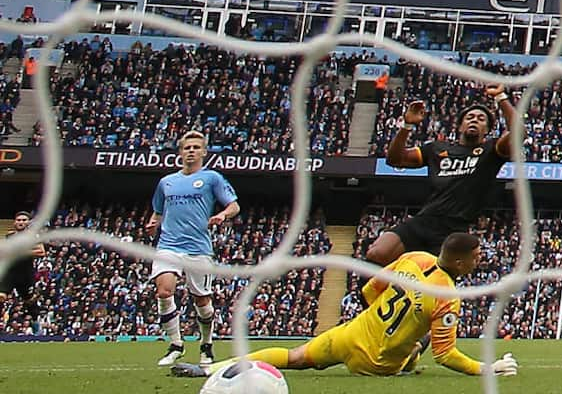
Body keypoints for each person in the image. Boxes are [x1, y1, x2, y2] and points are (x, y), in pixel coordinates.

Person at [171, 233, 519, 378]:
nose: (478, 261)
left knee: (295, 358)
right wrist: (487, 368)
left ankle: (210, 371)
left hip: (350, 333)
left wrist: (382, 317)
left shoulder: (412, 257)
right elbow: (447, 356)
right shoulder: (448, 298)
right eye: (475, 257)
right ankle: (412, 350)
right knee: (416, 347)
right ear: (459, 263)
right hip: (377, 363)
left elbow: (370, 290)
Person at [365, 84, 515, 266]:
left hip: (454, 229)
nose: (475, 120)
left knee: (434, 279)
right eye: (470, 117)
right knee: (377, 253)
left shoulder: (492, 150)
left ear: (488, 130)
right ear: (460, 126)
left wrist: (500, 97)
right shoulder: (437, 148)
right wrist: (406, 126)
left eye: (481, 119)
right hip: (425, 218)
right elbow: (395, 159)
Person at [145, 130, 240, 367]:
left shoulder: (212, 178)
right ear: (180, 152)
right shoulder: (166, 182)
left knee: (202, 302)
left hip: (198, 248)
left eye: (196, 147)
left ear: (204, 152)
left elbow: (234, 205)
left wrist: (221, 215)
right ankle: (176, 344)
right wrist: (153, 222)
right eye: (187, 148)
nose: (191, 151)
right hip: (168, 245)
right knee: (164, 291)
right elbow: (158, 210)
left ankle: (206, 345)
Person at [0, 211, 45, 309]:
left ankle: (35, 317)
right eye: (19, 220)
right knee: (1, 296)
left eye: (24, 220)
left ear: (28, 222)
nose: (21, 222)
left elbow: (41, 252)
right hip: (10, 272)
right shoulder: (9, 236)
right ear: (14, 222)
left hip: (25, 274)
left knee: (29, 301)